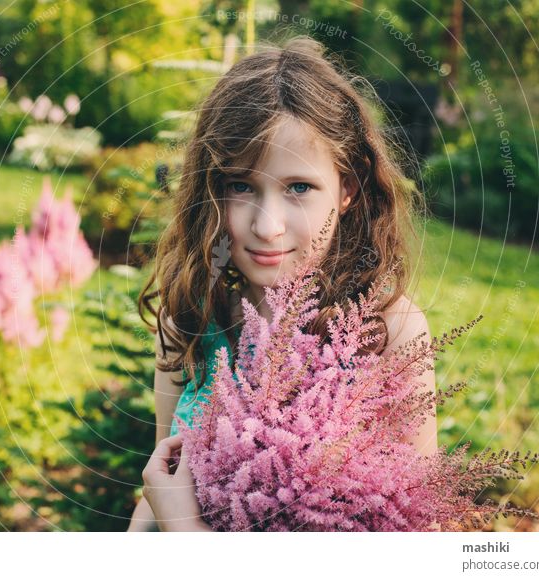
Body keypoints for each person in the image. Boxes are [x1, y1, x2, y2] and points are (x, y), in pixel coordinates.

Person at [127, 35, 437, 532]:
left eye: (299, 188)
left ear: (348, 189)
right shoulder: (189, 316)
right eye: (241, 186)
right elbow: (161, 491)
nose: (267, 226)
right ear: (211, 190)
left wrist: (186, 533)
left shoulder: (390, 334)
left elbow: (418, 537)